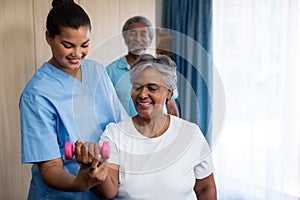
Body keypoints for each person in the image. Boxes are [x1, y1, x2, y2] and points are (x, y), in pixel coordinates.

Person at [19, 0, 127, 199]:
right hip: (64, 193)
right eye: (68, 46)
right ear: (49, 38)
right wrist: (79, 183)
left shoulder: (97, 71)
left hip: (105, 186)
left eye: (84, 45)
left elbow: (122, 126)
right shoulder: (37, 94)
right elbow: (50, 167)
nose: (77, 54)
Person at [75, 54, 217, 199]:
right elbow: (108, 192)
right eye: (137, 87)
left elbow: (205, 187)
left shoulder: (190, 134)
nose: (142, 95)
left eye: (152, 88)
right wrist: (92, 167)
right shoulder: (114, 134)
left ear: (169, 92)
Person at [106, 15, 180, 117]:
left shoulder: (163, 68)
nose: (137, 38)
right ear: (125, 37)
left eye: (143, 34)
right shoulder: (110, 71)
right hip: (126, 131)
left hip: (159, 130)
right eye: (132, 34)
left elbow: (171, 107)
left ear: (150, 38)